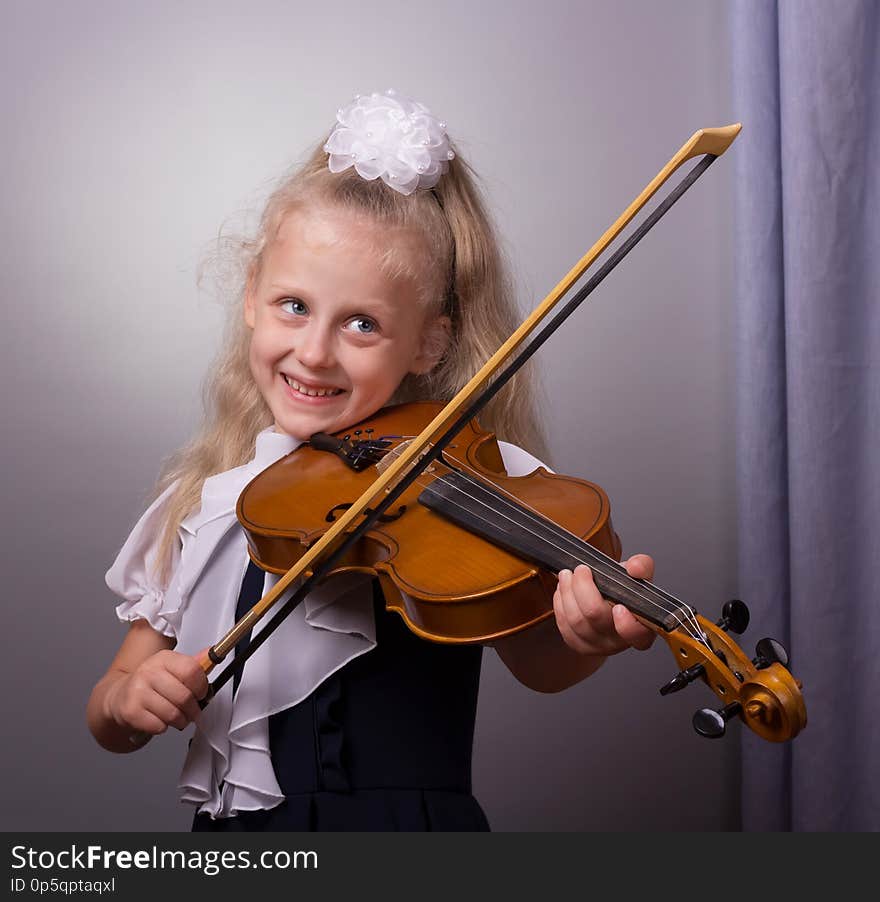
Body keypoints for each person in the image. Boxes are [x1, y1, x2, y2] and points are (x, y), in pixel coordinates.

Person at [86, 89, 656, 831]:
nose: (314, 352)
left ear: (429, 343)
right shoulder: (205, 503)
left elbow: (541, 664)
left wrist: (589, 641)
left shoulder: (469, 483)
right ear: (252, 296)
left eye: (362, 323)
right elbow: (111, 704)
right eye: (294, 305)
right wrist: (129, 702)